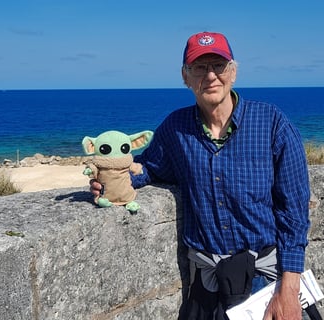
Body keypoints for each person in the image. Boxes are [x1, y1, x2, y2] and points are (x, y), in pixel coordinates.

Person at [91, 32, 310, 319]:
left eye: (218, 65)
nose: (210, 76)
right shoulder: (175, 128)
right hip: (207, 287)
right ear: (186, 77)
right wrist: (109, 180)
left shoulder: (272, 123)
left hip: (264, 284)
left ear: (232, 72)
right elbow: (149, 167)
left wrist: (289, 290)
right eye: (199, 67)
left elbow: (294, 212)